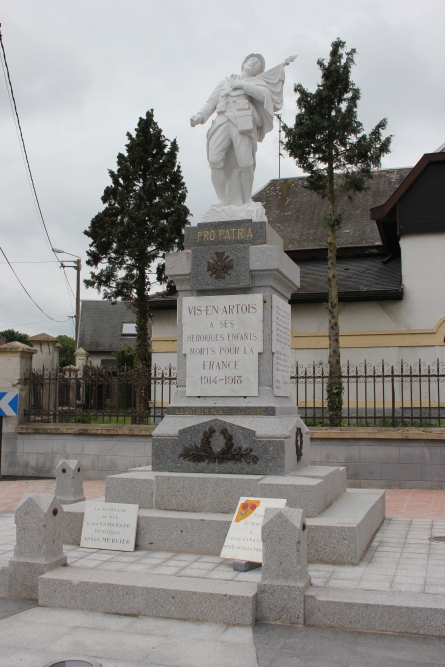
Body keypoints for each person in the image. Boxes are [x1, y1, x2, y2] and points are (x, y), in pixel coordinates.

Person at [190, 53, 295, 208]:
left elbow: (265, 96)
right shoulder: (225, 82)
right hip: (222, 120)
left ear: (259, 72)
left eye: (258, 64)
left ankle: (246, 200)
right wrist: (199, 116)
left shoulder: (256, 84)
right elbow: (210, 102)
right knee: (214, 160)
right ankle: (221, 200)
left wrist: (245, 86)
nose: (254, 63)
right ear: (244, 63)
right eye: (251, 61)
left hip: (242, 123)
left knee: (246, 163)